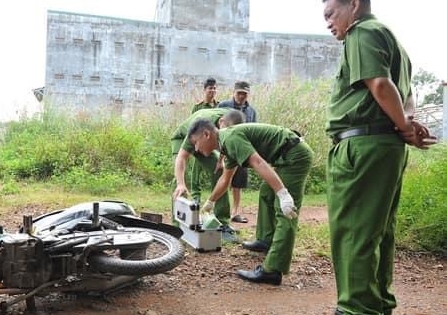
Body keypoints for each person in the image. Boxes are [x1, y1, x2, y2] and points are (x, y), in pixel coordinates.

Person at [322, 1, 437, 314]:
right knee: (378, 231)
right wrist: (407, 125)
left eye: (331, 13)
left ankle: (356, 308)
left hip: (362, 146)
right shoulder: (393, 41)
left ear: (355, 5)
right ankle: (376, 303)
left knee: (354, 232)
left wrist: (404, 125)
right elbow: (407, 94)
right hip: (386, 147)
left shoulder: (362, 32)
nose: (327, 22)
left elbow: (381, 84)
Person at [187, 120, 312, 285]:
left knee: (286, 211)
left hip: (295, 155)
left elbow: (258, 162)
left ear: (206, 134)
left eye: (196, 142)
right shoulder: (226, 144)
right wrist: (210, 202)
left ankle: (272, 270)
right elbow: (226, 179)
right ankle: (266, 240)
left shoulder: (230, 138)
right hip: (285, 156)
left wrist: (283, 194)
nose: (196, 149)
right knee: (266, 193)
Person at [171, 108, 245, 242]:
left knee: (220, 171)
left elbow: (226, 145)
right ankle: (178, 227)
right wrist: (180, 183)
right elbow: (181, 157)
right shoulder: (201, 126)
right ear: (221, 123)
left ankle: (222, 223)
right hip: (186, 136)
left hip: (206, 139)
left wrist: (221, 160)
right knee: (179, 179)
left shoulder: (230, 123)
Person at [218, 81, 257, 224]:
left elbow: (253, 130)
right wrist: (220, 155)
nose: (241, 96)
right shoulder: (223, 106)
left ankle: (235, 212)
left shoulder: (251, 111)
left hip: (241, 149)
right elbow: (218, 126)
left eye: (244, 94)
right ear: (234, 92)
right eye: (239, 93)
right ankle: (220, 210)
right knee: (222, 179)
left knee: (238, 183)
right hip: (224, 148)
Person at [189, 78, 219, 205]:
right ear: (204, 90)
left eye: (214, 88)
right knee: (196, 170)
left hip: (213, 142)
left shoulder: (219, 106)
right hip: (200, 142)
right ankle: (195, 196)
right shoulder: (198, 107)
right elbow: (192, 125)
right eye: (210, 88)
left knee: (217, 168)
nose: (212, 91)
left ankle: (215, 196)